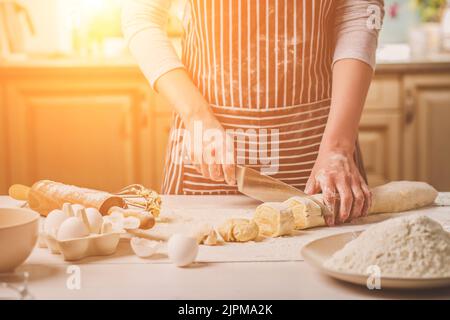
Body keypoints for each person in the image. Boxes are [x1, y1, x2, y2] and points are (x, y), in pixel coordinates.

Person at [122, 0, 385, 226]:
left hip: (320, 158)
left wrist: (337, 147)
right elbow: (141, 15)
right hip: (207, 158)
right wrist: (198, 117)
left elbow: (361, 11)